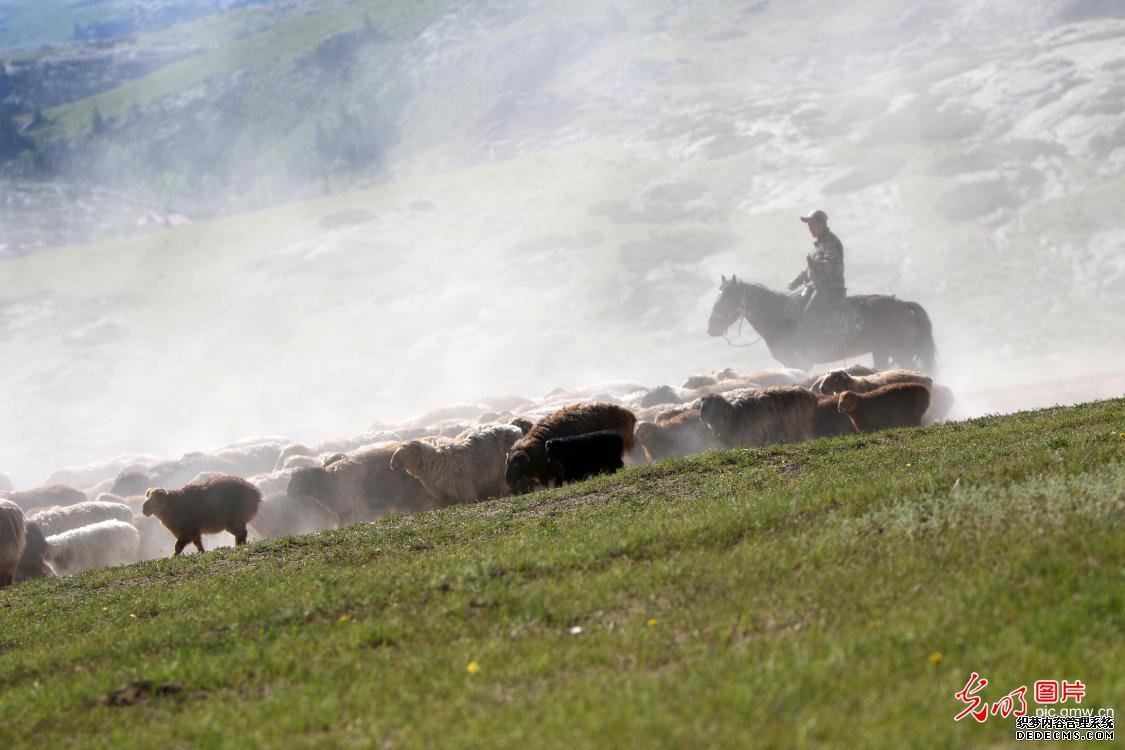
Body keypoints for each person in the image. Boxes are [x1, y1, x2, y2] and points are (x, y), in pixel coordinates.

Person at [788, 209, 846, 302]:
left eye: (812, 224)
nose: (810, 228)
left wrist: (814, 264)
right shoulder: (819, 246)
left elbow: (830, 266)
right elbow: (808, 271)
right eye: (809, 225)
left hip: (831, 293)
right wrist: (793, 284)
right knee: (794, 302)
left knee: (807, 311)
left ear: (822, 224)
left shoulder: (831, 242)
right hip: (817, 291)